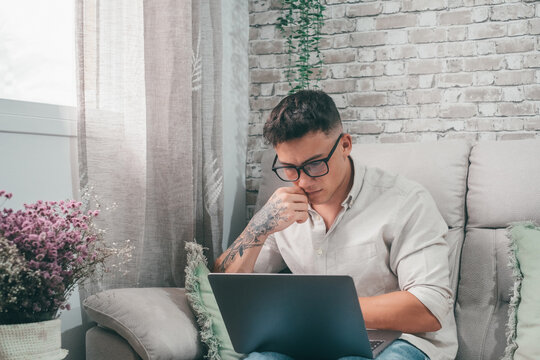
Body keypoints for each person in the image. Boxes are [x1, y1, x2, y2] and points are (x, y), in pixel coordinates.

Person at [214, 90, 457, 360]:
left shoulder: (406, 201)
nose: (303, 181)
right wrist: (258, 228)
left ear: (345, 145)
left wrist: (320, 310)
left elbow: (429, 307)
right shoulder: (279, 211)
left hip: (398, 341)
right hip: (309, 339)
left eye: (315, 165)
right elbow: (225, 285)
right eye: (290, 168)